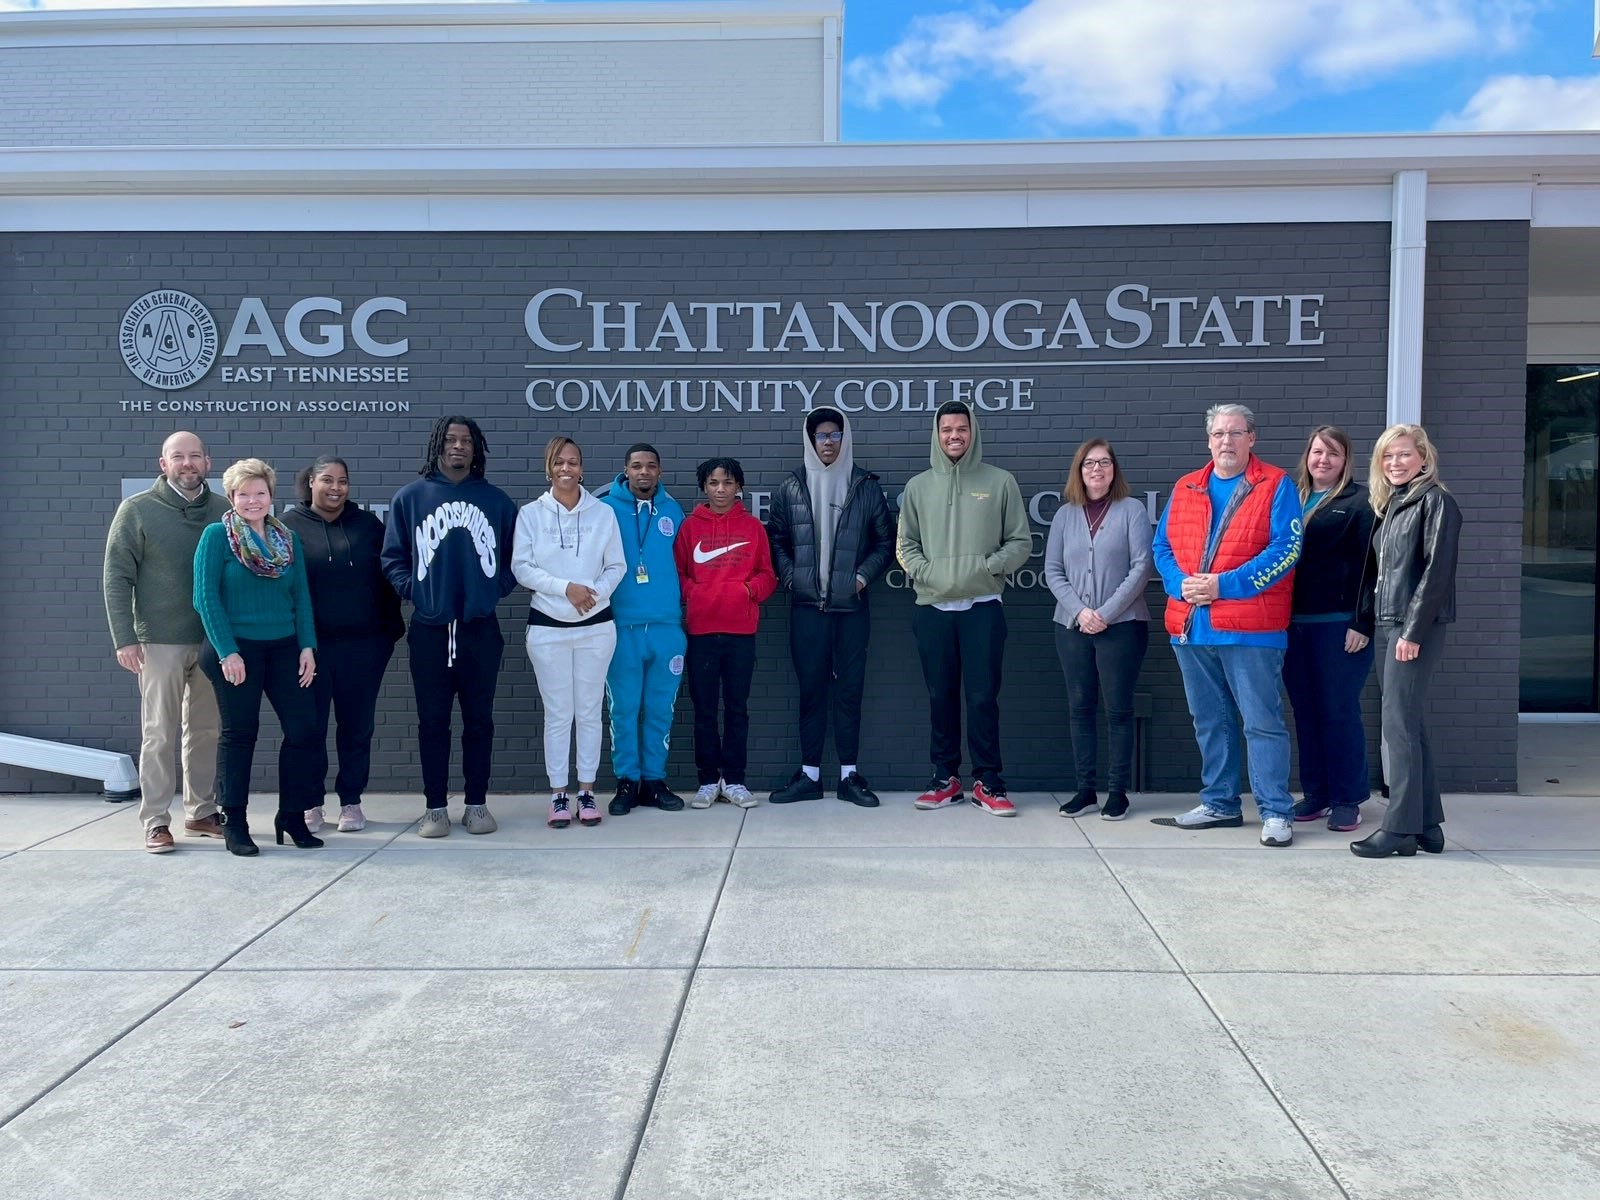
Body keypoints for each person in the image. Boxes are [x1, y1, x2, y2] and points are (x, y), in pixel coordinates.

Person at [1150, 403, 1303, 847]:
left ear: (1251, 439)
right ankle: (1219, 802)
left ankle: (1276, 810)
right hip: (1192, 626)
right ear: (1208, 440)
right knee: (1209, 721)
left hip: (1252, 630)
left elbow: (1287, 549)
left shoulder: (1275, 484)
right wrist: (1182, 586)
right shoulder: (1187, 486)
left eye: (1236, 433)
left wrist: (1223, 586)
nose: (1226, 441)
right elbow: (1162, 546)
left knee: (1261, 722)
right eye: (1219, 433)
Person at [381, 415, 519, 839]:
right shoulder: (410, 498)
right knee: (432, 722)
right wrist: (418, 593)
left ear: (476, 448)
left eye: (466, 440)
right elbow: (392, 558)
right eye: (450, 439)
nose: (458, 446)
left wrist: (490, 592)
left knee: (480, 722)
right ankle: (435, 808)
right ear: (438, 446)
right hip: (429, 630)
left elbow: (517, 560)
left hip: (480, 628)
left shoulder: (496, 501)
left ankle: (476, 805)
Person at [896, 400, 1032, 816]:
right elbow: (906, 545)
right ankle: (945, 779)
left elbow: (1020, 542)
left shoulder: (1000, 482)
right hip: (933, 608)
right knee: (940, 697)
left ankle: (988, 781)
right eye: (946, 430)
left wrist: (988, 568)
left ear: (973, 433)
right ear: (936, 435)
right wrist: (929, 574)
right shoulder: (918, 487)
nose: (954, 436)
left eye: (961, 429)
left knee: (982, 697)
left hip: (982, 607)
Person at [103, 431, 232, 854]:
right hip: (158, 641)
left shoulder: (223, 510)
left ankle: (200, 811)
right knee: (159, 732)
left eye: (195, 456)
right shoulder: (137, 509)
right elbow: (117, 577)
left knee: (206, 730)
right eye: (178, 456)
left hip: (213, 640)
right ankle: (155, 820)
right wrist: (125, 638)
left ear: (207, 463)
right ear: (164, 464)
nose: (188, 463)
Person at [193, 459, 324, 856]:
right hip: (237, 649)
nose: (253, 500)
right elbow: (205, 597)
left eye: (260, 493)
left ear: (271, 495)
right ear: (232, 498)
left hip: (285, 645)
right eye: (244, 494)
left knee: (303, 731)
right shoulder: (217, 536)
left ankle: (292, 815)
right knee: (240, 735)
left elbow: (301, 595)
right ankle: (234, 820)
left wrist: (307, 646)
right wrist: (227, 651)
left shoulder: (286, 539)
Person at [766, 407, 894, 807]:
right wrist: (792, 579)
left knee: (849, 693)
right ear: (810, 440)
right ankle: (808, 776)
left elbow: (884, 544)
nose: (827, 442)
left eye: (834, 435)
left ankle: (849, 777)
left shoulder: (865, 487)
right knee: (811, 692)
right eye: (820, 436)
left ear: (845, 439)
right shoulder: (790, 487)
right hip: (807, 609)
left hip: (851, 609)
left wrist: (859, 579)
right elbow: (777, 542)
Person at [1351, 424, 1461, 859]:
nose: (1395, 463)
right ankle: (1428, 826)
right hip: (1388, 622)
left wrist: (1412, 632)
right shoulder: (1395, 503)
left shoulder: (1436, 502)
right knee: (1408, 725)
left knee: (1398, 727)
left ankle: (1399, 830)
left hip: (1410, 626)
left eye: (1403, 455)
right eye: (1387, 456)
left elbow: (1437, 572)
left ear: (1423, 458)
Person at [281, 455, 404, 834]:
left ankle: (351, 801)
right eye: (327, 480)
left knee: (356, 728)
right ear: (310, 483)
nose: (335, 488)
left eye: (343, 481)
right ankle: (311, 803)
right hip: (310, 651)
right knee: (311, 728)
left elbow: (389, 579)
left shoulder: (368, 526)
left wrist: (385, 635)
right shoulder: (286, 527)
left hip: (363, 649)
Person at [512, 436, 625, 830]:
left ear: (582, 468)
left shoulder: (603, 514)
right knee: (559, 715)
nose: (566, 469)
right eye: (559, 462)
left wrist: (593, 595)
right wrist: (566, 589)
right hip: (548, 630)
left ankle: (587, 792)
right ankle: (559, 796)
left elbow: (617, 566)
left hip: (596, 628)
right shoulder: (530, 514)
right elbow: (522, 568)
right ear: (549, 467)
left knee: (590, 713)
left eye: (573, 462)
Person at [1045, 438, 1152, 822]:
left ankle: (1117, 792)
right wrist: (1081, 612)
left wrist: (1104, 613)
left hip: (1122, 626)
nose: (1097, 469)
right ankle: (1086, 790)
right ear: (1080, 469)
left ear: (1114, 469)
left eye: (1104, 463)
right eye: (1090, 463)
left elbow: (1141, 567)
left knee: (1119, 710)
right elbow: (1052, 570)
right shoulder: (1065, 515)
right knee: (1080, 708)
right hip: (1071, 627)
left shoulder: (1132, 510)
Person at [1282, 426, 1376, 835]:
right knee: (1305, 712)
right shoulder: (1290, 499)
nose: (1323, 460)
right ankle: (1317, 794)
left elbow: (1373, 568)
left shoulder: (1361, 502)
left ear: (1345, 460)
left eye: (1333, 454)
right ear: (1307, 456)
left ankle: (1347, 799)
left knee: (1338, 712)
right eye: (1317, 452)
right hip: (1292, 627)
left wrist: (1362, 621)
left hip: (1340, 627)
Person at [674, 457, 777, 809]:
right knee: (703, 711)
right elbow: (680, 575)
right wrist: (695, 595)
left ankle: (734, 779)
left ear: (739, 488)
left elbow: (768, 576)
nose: (721, 489)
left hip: (740, 632)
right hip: (701, 632)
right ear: (704, 487)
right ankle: (707, 780)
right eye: (714, 483)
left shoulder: (752, 528)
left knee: (736, 709)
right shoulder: (690, 528)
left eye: (728, 483)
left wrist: (747, 592)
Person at [601, 444, 689, 815]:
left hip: (668, 627)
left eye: (651, 466)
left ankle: (653, 780)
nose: (644, 473)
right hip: (622, 628)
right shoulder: (604, 509)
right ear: (626, 470)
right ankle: (627, 781)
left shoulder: (673, 510)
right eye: (637, 466)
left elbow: (685, 565)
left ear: (660, 470)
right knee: (623, 708)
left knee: (659, 709)